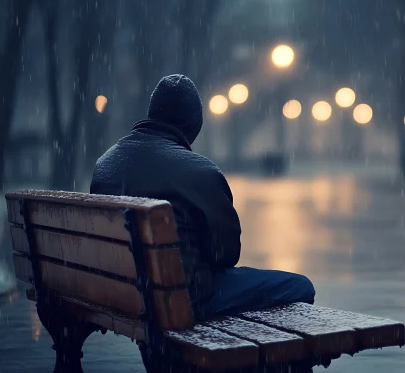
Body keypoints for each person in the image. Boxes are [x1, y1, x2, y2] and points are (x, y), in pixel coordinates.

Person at [90, 74, 315, 321]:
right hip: (188, 296)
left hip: (124, 291)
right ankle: (240, 354)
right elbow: (226, 255)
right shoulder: (198, 172)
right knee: (300, 287)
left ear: (152, 113)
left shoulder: (106, 163)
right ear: (194, 125)